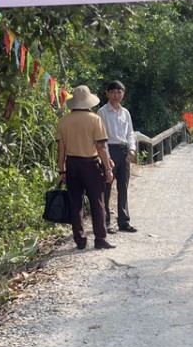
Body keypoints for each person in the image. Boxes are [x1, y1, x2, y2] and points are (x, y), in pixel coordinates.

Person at [57, 85, 116, 250]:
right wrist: (108, 168)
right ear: (88, 102)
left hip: (72, 164)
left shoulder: (63, 121)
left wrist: (62, 170)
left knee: (75, 203)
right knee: (97, 202)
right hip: (90, 164)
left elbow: (60, 149)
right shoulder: (95, 119)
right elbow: (101, 147)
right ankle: (100, 238)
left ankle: (80, 240)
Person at [96, 80, 138, 234]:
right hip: (109, 150)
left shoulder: (125, 112)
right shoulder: (102, 112)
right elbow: (101, 137)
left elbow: (130, 133)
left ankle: (124, 221)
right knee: (106, 187)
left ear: (123, 94)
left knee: (123, 187)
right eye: (113, 92)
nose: (116, 95)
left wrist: (132, 149)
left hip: (123, 150)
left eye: (119, 92)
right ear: (107, 93)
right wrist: (105, 157)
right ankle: (105, 222)